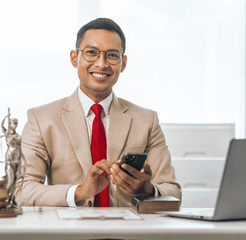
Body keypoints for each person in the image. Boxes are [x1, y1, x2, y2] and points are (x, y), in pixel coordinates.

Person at [15, 18, 181, 207]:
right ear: (74, 58)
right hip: (69, 233)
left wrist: (148, 190)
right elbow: (20, 190)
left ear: (123, 63)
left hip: (129, 233)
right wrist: (80, 192)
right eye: (91, 53)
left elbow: (173, 192)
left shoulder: (146, 120)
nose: (101, 64)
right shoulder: (41, 119)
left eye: (112, 55)